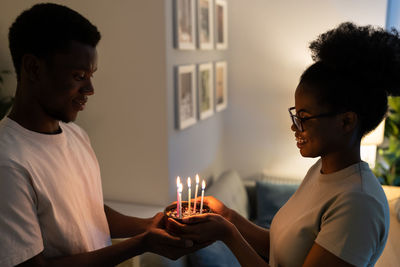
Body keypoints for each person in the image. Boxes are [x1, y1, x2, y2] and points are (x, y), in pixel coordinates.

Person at [168, 22, 398, 267]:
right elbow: (281, 249)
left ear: (346, 121)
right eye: (295, 116)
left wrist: (228, 234)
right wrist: (228, 216)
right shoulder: (321, 172)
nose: (295, 127)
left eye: (305, 118)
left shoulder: (359, 205)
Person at [0, 3, 209, 267]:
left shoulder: (76, 136)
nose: (90, 88)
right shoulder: (8, 163)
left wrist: (151, 224)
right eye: (79, 76)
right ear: (33, 68)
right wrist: (142, 244)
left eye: (91, 75)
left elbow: (91, 215)